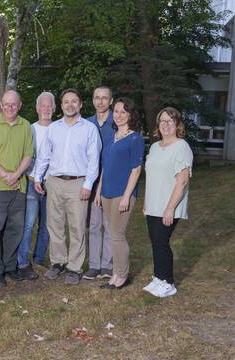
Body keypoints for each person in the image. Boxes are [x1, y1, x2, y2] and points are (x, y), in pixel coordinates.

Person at [33, 88, 101, 285]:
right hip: (54, 182)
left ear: (80, 104)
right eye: (66, 102)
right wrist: (38, 177)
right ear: (61, 106)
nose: (70, 105)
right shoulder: (54, 128)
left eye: (74, 101)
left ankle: (74, 267)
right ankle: (58, 262)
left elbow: (93, 160)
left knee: (77, 226)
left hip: (78, 183)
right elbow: (45, 155)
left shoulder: (89, 129)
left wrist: (88, 184)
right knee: (54, 225)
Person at [0, 90, 34, 286]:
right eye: (6, 104)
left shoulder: (26, 126)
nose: (10, 108)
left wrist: (16, 175)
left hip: (18, 187)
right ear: (0, 105)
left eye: (14, 104)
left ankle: (10, 266)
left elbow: (28, 155)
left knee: (15, 229)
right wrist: (5, 175)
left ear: (19, 105)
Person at [93, 98, 144, 290]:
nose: (119, 115)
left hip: (123, 195)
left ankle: (122, 275)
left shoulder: (135, 138)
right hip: (106, 192)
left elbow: (136, 169)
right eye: (116, 111)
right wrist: (98, 191)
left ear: (130, 115)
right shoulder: (111, 137)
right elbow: (105, 167)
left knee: (117, 234)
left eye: (124, 112)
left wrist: (126, 196)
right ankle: (116, 272)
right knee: (112, 233)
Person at [142, 107, 193, 298]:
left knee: (162, 241)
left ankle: (169, 283)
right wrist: (146, 203)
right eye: (162, 121)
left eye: (169, 121)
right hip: (153, 205)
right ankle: (158, 278)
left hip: (169, 205)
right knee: (155, 241)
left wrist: (170, 208)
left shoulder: (181, 147)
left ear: (177, 124)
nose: (165, 125)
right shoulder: (155, 147)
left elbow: (182, 181)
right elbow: (152, 178)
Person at [17, 92, 55, 280]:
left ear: (54, 109)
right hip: (32, 183)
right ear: (37, 108)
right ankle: (22, 261)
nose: (46, 109)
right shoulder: (29, 129)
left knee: (47, 225)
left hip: (52, 184)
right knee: (29, 223)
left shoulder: (58, 128)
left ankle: (39, 259)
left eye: (50, 106)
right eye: (43, 106)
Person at [84, 86, 115, 280]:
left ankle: (107, 265)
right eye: (97, 98)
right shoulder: (87, 124)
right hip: (93, 180)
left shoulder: (117, 122)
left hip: (112, 180)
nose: (100, 101)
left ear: (111, 101)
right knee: (94, 224)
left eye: (104, 98)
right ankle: (94, 265)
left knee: (110, 225)